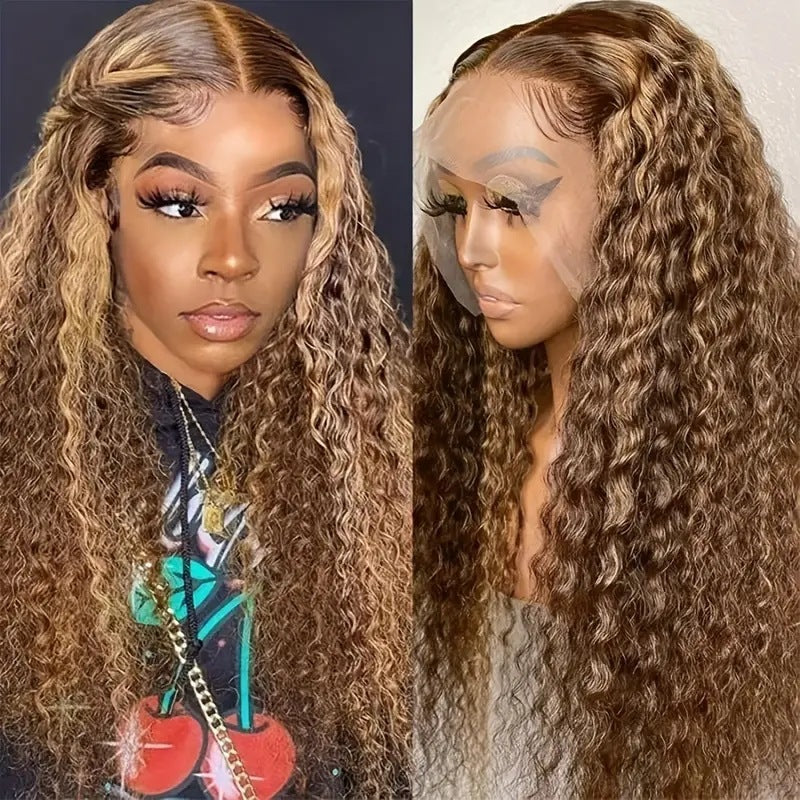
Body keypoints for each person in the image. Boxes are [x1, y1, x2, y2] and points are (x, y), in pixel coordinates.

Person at [0, 1, 411, 798]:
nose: (233, 257)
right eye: (180, 202)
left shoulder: (385, 444)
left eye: (280, 207)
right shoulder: (20, 444)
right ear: (100, 197)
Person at [413, 2, 800, 798]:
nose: (472, 249)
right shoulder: (450, 448)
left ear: (639, 206)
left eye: (513, 203)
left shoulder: (761, 482)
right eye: (455, 206)